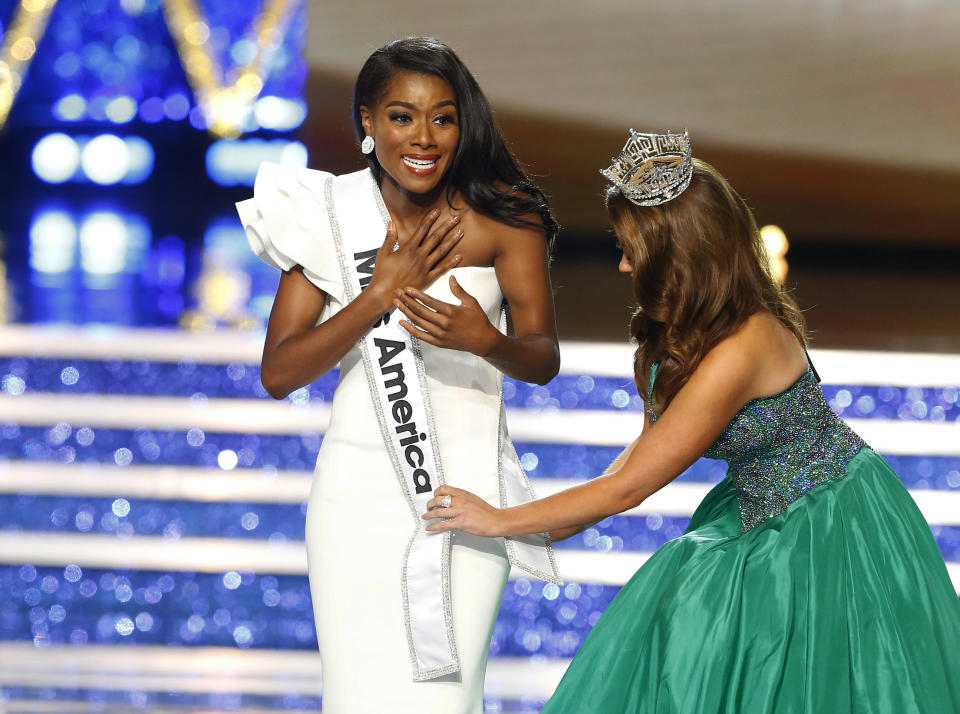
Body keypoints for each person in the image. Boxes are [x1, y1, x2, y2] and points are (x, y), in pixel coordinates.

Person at [421, 130, 960, 713]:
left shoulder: (741, 348)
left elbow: (628, 488)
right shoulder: (688, 329)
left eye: (633, 248)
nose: (623, 263)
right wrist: (538, 526)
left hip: (830, 525)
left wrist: (501, 520)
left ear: (678, 253)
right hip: (761, 516)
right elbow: (639, 455)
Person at [236, 37, 561, 714]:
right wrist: (376, 297)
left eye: (442, 117)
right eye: (401, 116)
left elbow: (541, 356)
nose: (424, 137)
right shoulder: (327, 212)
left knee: (446, 697)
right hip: (353, 499)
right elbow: (279, 372)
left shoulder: (506, 217)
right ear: (366, 121)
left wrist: (485, 340)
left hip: (464, 499)